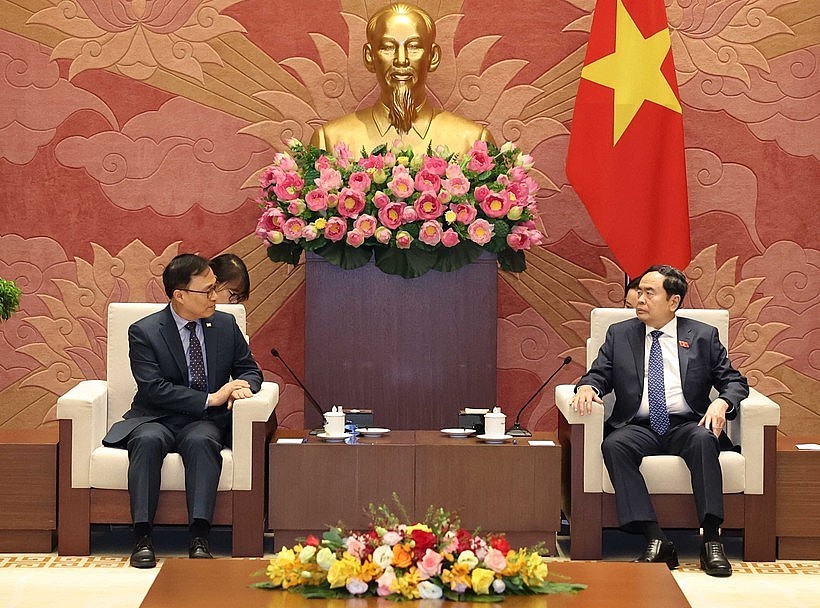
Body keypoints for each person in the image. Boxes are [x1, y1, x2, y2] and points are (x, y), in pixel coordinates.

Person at [571, 265, 748, 577]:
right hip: (638, 426)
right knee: (614, 445)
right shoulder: (621, 334)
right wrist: (588, 386)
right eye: (639, 292)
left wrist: (722, 402)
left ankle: (711, 541)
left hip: (686, 423)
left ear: (673, 301)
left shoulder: (703, 336)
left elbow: (734, 382)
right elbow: (599, 373)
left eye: (649, 293)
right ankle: (655, 538)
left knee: (704, 439)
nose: (640, 299)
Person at [102, 254, 263, 568]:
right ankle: (142, 536)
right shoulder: (145, 331)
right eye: (207, 291)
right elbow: (153, 388)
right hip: (155, 416)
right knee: (147, 441)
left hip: (202, 423)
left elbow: (250, 370)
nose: (215, 297)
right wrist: (212, 397)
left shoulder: (225, 324)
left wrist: (242, 385)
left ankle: (200, 535)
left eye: (215, 288)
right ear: (180, 295)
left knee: (202, 442)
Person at [309, 2, 494, 156]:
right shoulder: (330, 141)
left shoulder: (474, 142)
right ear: (369, 57)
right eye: (388, 47)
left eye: (414, 47)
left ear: (433, 56)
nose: (401, 60)